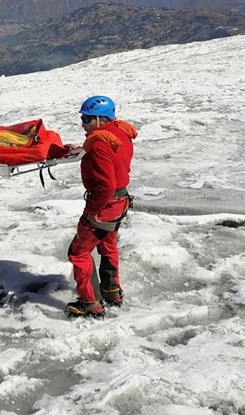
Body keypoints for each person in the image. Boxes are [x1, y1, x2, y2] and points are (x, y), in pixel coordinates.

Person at [66, 95, 138, 318]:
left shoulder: (99, 144)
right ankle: (111, 291)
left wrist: (92, 212)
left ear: (99, 119)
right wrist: (83, 149)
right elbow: (112, 155)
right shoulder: (119, 132)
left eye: (87, 119)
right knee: (108, 246)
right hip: (121, 201)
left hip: (105, 205)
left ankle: (90, 302)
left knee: (78, 252)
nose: (83, 124)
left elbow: (106, 185)